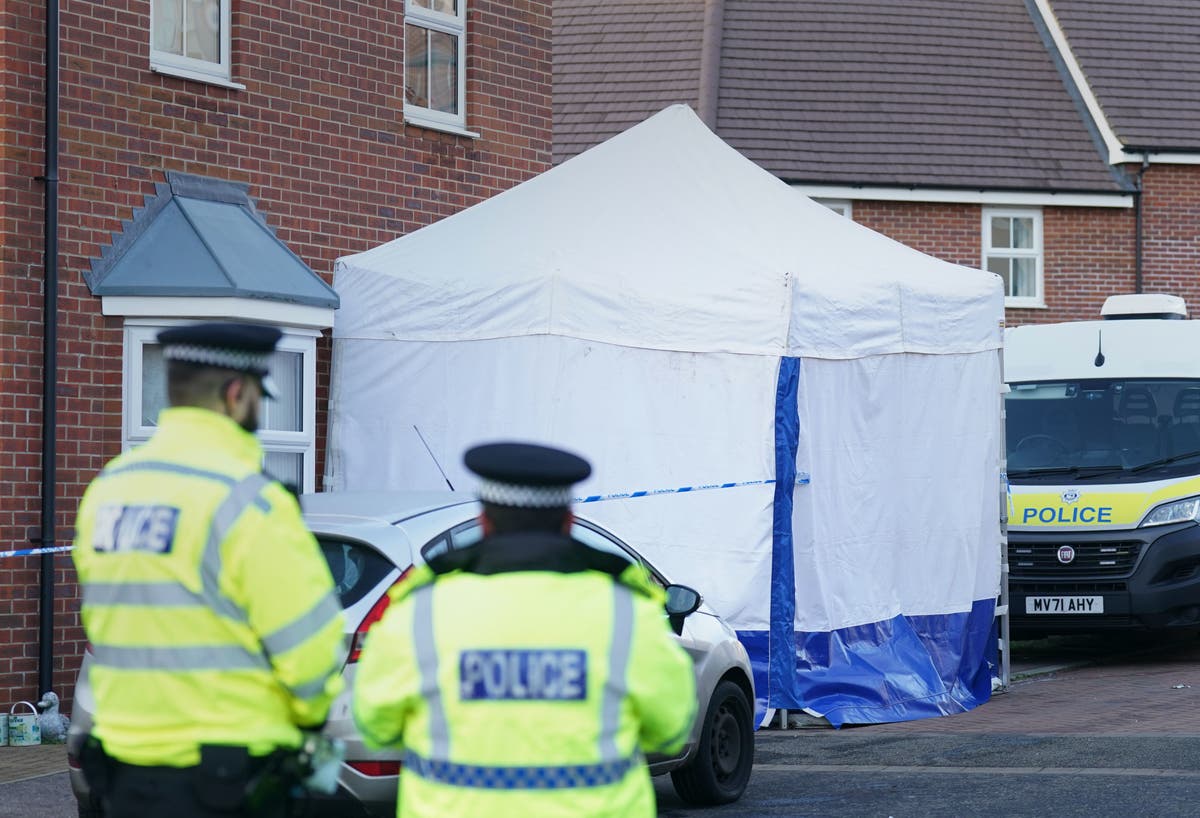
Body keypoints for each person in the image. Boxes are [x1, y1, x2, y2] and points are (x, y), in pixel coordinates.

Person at [72, 322, 345, 817]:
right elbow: (312, 653)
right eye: (258, 397)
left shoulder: (108, 489)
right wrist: (308, 719)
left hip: (121, 772)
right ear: (236, 393)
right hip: (225, 778)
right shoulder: (249, 501)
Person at [353, 441, 696, 818]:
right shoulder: (626, 611)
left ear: (485, 521)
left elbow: (375, 726)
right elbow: (671, 728)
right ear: (567, 521)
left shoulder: (421, 610)